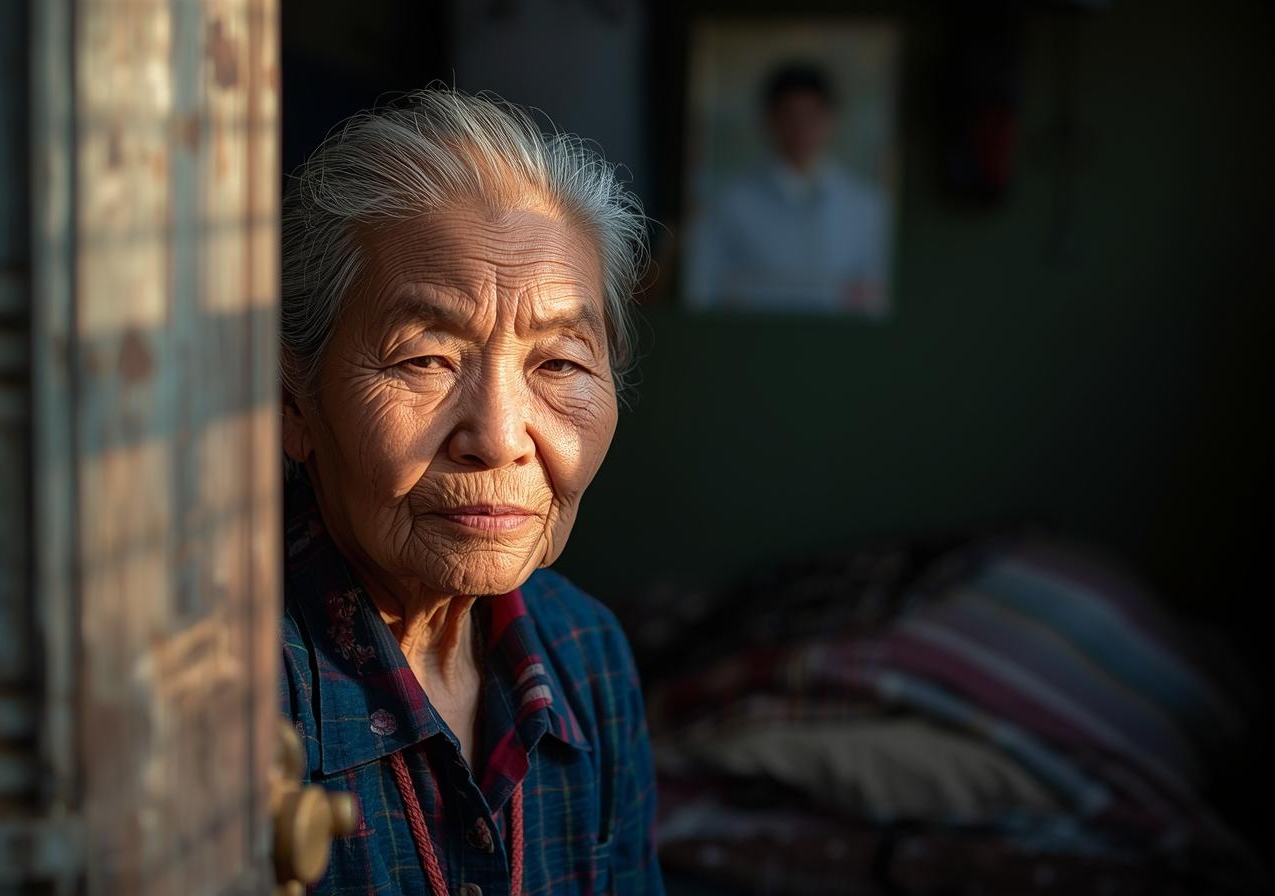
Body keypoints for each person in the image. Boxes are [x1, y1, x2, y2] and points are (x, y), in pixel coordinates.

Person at [277, 88, 662, 895]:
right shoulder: (224, 680)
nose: (496, 436)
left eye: (560, 364)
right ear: (292, 401)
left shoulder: (586, 655)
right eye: (425, 359)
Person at [687, 61, 890, 315]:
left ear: (830, 119)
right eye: (790, 116)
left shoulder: (867, 206)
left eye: (812, 116)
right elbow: (703, 289)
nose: (801, 129)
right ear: (771, 120)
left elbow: (875, 295)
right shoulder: (730, 202)